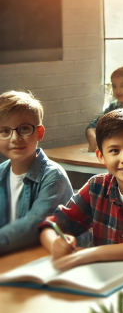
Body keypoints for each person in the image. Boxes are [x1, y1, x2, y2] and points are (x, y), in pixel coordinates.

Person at [39, 109, 123, 271]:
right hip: (104, 281)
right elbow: (51, 224)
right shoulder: (95, 187)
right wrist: (54, 243)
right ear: (101, 156)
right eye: (114, 151)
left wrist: (91, 254)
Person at [0, 91, 72, 255]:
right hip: (10, 255)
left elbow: (33, 227)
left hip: (47, 258)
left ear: (39, 132)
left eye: (24, 129)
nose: (15, 138)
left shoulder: (53, 177)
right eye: (4, 130)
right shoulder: (1, 172)